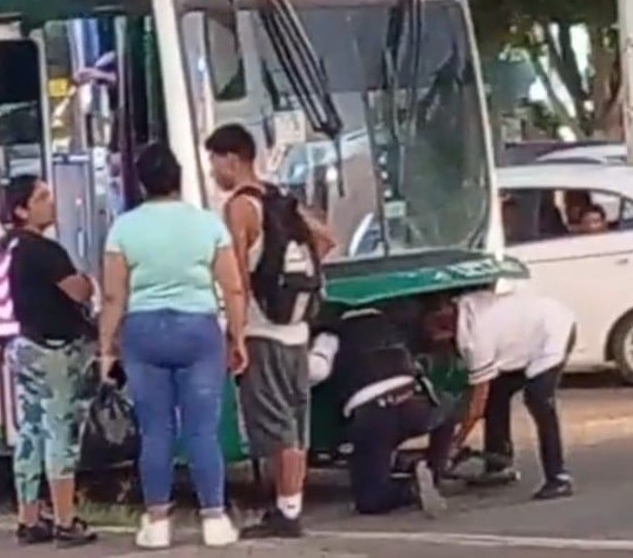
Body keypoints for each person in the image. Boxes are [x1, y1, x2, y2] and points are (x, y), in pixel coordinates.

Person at [98, 142, 247, 550]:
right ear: (178, 178)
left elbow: (114, 297)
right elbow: (232, 287)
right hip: (199, 331)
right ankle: (214, 519)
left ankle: (158, 522)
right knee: (201, 430)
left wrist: (107, 347)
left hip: (143, 332)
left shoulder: (123, 228)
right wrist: (238, 335)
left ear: (142, 183)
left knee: (155, 431)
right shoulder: (208, 225)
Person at [205, 123, 336, 538]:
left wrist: (236, 337)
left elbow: (237, 279)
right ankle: (288, 504)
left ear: (231, 159)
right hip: (298, 329)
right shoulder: (281, 199)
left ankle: (288, 513)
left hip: (265, 331)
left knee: (276, 425)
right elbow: (328, 240)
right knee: (294, 422)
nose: (213, 172)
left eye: (214, 162)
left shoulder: (240, 208)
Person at [0, 174, 99, 547]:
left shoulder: (2, 249)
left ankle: (28, 519)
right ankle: (65, 519)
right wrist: (88, 281)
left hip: (19, 347)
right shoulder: (43, 250)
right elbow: (78, 292)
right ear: (22, 209)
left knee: (29, 431)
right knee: (60, 433)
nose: (51, 203)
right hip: (52, 349)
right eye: (42, 197)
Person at [308, 306, 454, 516]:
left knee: (370, 500)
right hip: (414, 404)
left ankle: (410, 488)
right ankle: (434, 470)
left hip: (373, 418)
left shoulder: (330, 335)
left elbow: (316, 370)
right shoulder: (392, 327)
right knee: (447, 408)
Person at [436, 287, 577, 500]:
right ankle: (499, 462)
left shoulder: (475, 342)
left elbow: (476, 407)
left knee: (538, 400)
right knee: (497, 395)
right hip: (526, 333)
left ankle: (558, 477)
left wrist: (454, 444)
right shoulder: (463, 304)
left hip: (553, 330)